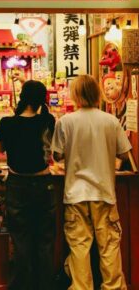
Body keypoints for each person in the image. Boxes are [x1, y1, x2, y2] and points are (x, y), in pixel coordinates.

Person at [51, 74, 132, 290]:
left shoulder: (65, 122)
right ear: (97, 94)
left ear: (75, 95)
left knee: (79, 247)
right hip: (104, 192)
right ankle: (113, 287)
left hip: (75, 194)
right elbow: (125, 154)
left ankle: (81, 287)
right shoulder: (111, 121)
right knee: (109, 246)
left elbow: (57, 155)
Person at [0, 79, 56, 290]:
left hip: (17, 184)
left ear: (21, 97)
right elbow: (54, 151)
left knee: (20, 238)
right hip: (43, 183)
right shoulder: (48, 121)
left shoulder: (7, 123)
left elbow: (0, 148)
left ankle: (22, 285)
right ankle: (45, 284)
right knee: (45, 238)